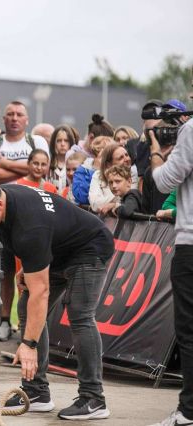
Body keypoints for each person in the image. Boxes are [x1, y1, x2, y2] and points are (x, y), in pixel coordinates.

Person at [0, 179, 114, 421]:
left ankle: (94, 397)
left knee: (80, 314)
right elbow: (33, 250)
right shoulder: (4, 202)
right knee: (24, 306)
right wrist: (31, 268)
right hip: (58, 250)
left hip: (89, 247)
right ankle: (36, 393)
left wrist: (29, 345)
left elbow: (41, 292)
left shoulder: (29, 227)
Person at [0, 100, 49, 341]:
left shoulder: (37, 142)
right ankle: (3, 320)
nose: (14, 118)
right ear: (3, 119)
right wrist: (25, 169)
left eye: (19, 114)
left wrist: (5, 164)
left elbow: (42, 170)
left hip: (30, 213)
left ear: (27, 120)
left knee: (32, 271)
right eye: (10, 114)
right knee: (4, 270)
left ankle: (30, 323)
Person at [149, 110, 193, 426]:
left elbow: (165, 182)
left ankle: (189, 411)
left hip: (191, 244)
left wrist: (155, 152)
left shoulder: (190, 130)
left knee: (189, 332)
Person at [89, 141, 138, 215]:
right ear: (109, 164)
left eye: (126, 155)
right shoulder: (98, 175)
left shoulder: (133, 174)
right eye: (121, 158)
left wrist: (115, 205)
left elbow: (130, 200)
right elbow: (95, 204)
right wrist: (117, 201)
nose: (127, 159)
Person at [48, 125, 77, 192]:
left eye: (66, 141)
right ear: (53, 143)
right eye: (59, 141)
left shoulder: (77, 166)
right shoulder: (47, 166)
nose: (62, 144)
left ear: (71, 143)